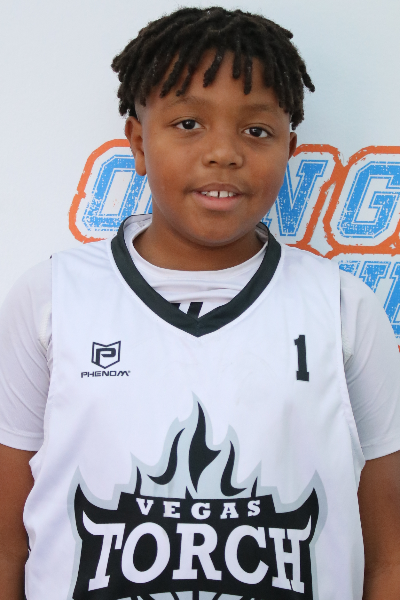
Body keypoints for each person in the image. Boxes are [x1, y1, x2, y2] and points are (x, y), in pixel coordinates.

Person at [0, 6, 400, 600]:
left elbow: (388, 559)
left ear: (289, 149)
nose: (223, 153)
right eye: (189, 123)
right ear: (138, 142)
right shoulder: (52, 296)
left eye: (256, 131)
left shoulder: (343, 307)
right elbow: (8, 546)